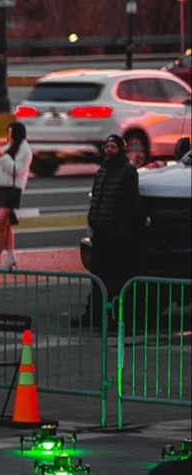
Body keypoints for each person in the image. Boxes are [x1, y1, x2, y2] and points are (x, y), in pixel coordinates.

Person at [72, 133, 141, 332]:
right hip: (101, 232)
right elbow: (97, 198)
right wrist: (93, 221)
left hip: (116, 235)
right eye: (107, 147)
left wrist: (115, 223)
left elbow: (130, 203)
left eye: (113, 147)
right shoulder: (103, 169)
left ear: (121, 149)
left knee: (115, 279)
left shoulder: (127, 171)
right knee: (98, 276)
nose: (109, 150)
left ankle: (115, 317)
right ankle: (93, 314)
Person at [0, 121, 31, 269]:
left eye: (10, 133)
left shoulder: (24, 150)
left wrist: (2, 155)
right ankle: (11, 256)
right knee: (5, 225)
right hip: (2, 188)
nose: (8, 136)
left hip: (12, 189)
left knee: (0, 223)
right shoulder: (9, 147)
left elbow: (16, 170)